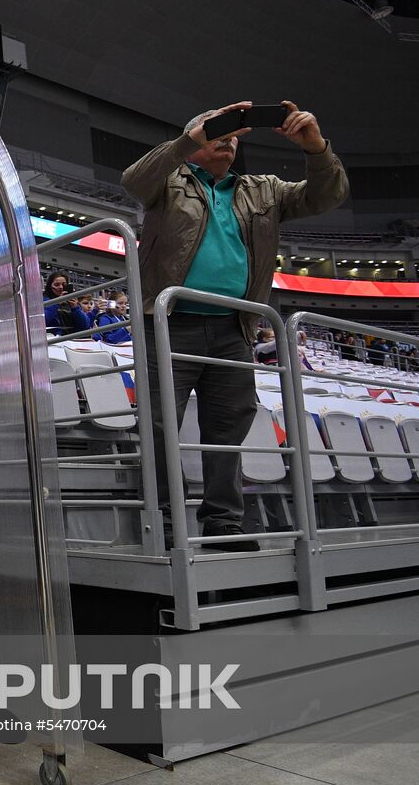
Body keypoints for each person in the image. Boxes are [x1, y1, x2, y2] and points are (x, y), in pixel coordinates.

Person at [122, 100, 348, 551]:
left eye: (232, 137)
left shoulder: (263, 190)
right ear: (195, 139)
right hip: (167, 323)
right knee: (159, 425)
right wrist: (192, 137)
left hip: (233, 329)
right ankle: (162, 518)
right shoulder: (169, 180)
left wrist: (316, 148)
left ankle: (223, 522)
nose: (226, 140)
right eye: (216, 133)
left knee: (228, 428)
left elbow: (326, 196)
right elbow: (133, 179)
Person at [42, 270, 92, 336]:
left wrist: (75, 308)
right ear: (49, 286)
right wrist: (56, 303)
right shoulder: (43, 301)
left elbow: (85, 326)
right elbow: (42, 321)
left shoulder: (72, 302)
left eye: (64, 285)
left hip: (72, 338)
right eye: (57, 284)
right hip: (52, 338)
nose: (61, 287)